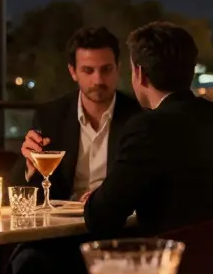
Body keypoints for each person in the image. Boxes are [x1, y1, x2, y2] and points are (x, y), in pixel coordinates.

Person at [84, 21, 213, 237]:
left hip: (179, 256)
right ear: (191, 70)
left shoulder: (148, 128)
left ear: (140, 74)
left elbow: (101, 218)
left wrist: (97, 196)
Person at [8, 27, 141, 201]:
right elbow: (17, 190)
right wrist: (29, 166)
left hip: (117, 216)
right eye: (88, 70)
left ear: (118, 68)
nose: (98, 80)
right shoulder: (51, 116)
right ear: (73, 72)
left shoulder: (139, 116)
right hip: (64, 216)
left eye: (106, 69)